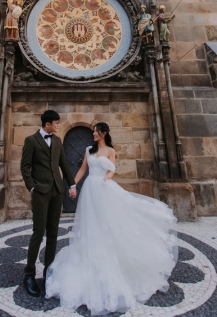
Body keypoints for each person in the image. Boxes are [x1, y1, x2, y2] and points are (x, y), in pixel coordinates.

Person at [45, 122, 177, 314]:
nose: (93, 134)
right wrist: (72, 185)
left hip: (103, 189)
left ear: (104, 133)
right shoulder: (88, 150)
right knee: (91, 226)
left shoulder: (110, 151)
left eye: (96, 132)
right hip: (90, 190)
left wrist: (107, 179)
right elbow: (82, 169)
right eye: (93, 132)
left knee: (107, 224)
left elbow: (112, 170)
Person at [20, 110, 77, 297]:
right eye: (56, 122)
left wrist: (72, 184)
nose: (58, 125)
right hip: (40, 192)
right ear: (47, 124)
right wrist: (32, 187)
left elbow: (64, 165)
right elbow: (25, 166)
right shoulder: (31, 141)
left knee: (53, 234)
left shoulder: (58, 141)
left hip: (57, 192)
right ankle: (29, 274)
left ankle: (48, 272)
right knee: (38, 232)